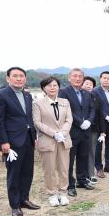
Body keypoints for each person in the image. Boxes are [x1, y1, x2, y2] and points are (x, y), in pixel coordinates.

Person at [0, 67, 38, 216]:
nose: (19, 79)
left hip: (28, 138)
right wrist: (3, 142)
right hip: (12, 141)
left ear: (25, 79)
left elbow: (29, 118)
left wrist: (34, 135)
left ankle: (24, 199)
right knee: (14, 174)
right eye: (15, 76)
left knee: (27, 171)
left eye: (21, 76)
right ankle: (15, 205)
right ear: (8, 78)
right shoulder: (1, 95)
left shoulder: (27, 95)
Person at [33, 76, 73, 207]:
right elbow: (37, 122)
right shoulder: (38, 103)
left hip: (64, 139)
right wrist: (54, 133)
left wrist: (63, 133)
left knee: (64, 167)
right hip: (48, 140)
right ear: (44, 88)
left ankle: (63, 192)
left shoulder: (65, 102)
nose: (52, 88)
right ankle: (51, 193)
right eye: (49, 85)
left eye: (55, 85)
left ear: (59, 87)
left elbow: (69, 119)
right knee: (49, 169)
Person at [59, 68, 95, 197]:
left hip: (86, 131)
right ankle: (69, 185)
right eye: (75, 76)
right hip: (71, 131)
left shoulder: (87, 93)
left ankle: (82, 180)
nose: (78, 78)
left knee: (83, 157)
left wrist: (89, 121)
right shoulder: (63, 92)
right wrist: (80, 122)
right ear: (69, 78)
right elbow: (66, 111)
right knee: (69, 159)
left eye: (80, 76)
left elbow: (92, 109)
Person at [82, 77, 101, 184]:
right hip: (79, 128)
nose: (88, 86)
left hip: (93, 129)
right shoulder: (77, 96)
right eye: (86, 83)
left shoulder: (96, 97)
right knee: (80, 153)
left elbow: (99, 115)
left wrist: (102, 131)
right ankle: (81, 175)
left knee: (91, 152)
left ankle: (90, 174)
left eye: (91, 84)